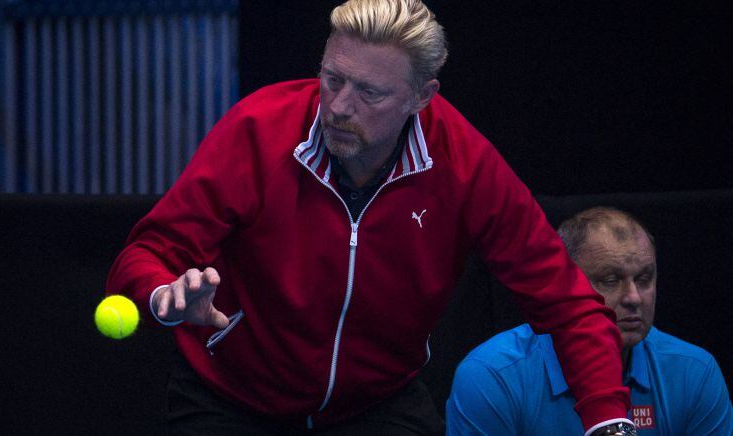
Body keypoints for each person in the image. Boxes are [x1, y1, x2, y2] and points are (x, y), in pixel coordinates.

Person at [107, 1, 634, 434]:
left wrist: (610, 422)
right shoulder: (257, 129)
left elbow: (568, 304)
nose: (338, 106)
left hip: (377, 405)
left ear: (421, 97)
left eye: (369, 92)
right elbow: (146, 254)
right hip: (230, 400)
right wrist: (163, 297)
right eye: (332, 79)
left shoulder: (466, 165)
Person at [446, 207, 733, 435]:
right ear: (564, 284)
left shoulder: (694, 372)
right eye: (610, 280)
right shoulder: (492, 376)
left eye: (644, 279)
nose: (633, 297)